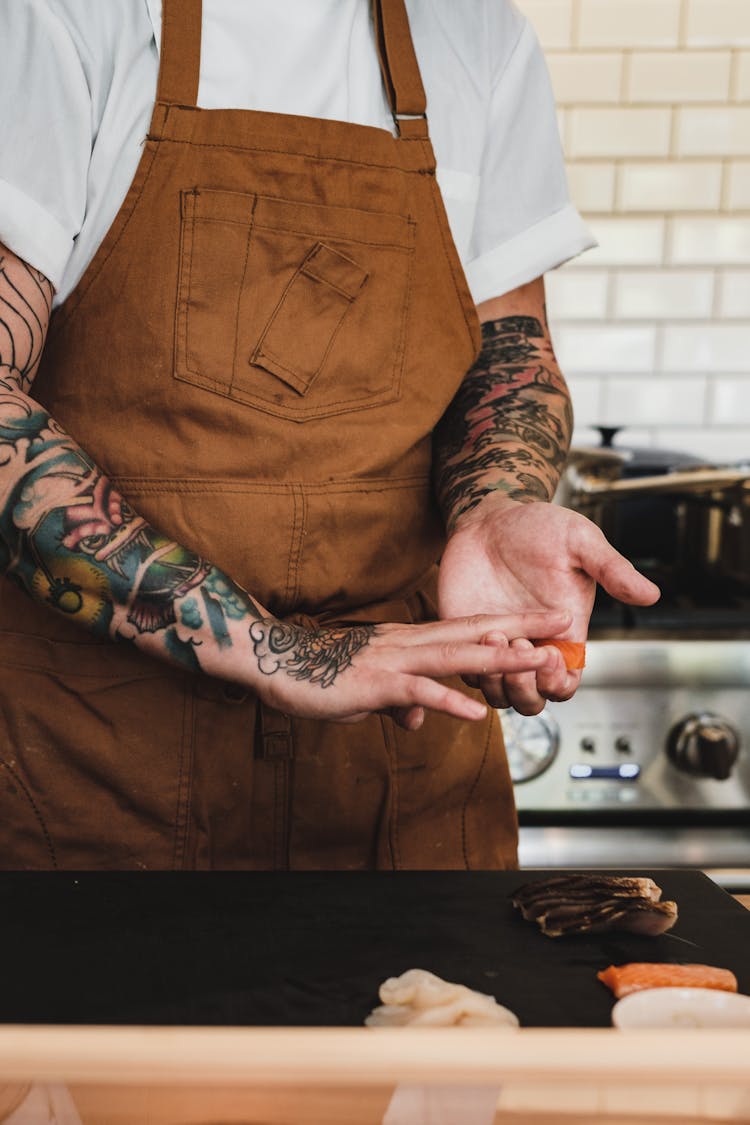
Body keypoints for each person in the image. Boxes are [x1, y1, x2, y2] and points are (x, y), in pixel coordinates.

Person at [0, 0, 658, 871]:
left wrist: (500, 506)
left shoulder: (476, 35)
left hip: (398, 784)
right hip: (97, 783)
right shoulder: (65, 18)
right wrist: (278, 651)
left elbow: (509, 349)